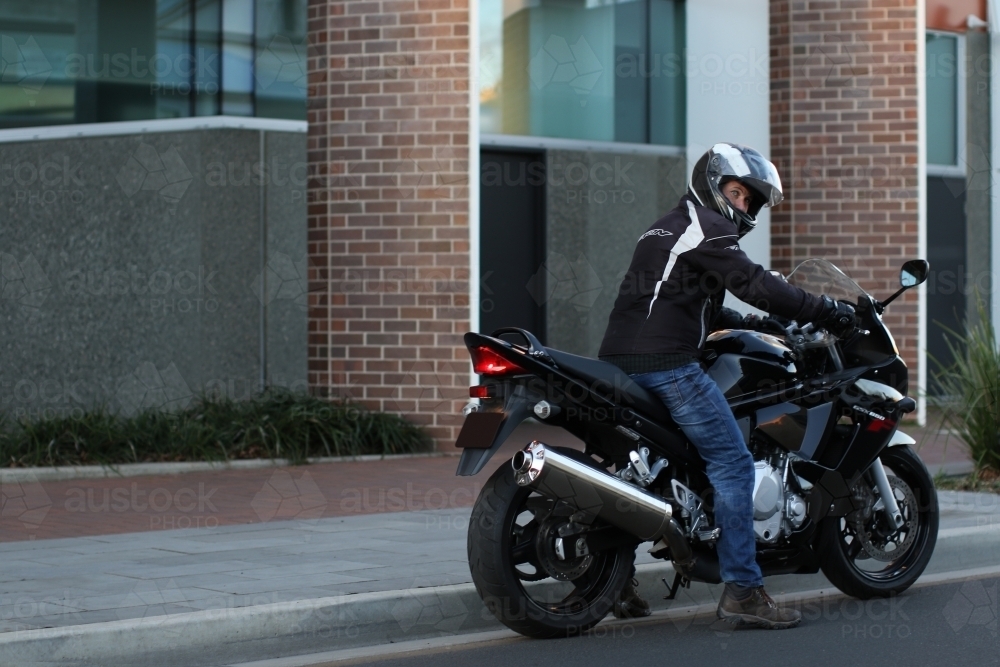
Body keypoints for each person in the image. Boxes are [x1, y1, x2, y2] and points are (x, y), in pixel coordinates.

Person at [601, 142, 854, 629]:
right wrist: (826, 310)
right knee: (733, 464)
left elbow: (694, 305)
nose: (742, 205)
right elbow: (757, 284)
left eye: (749, 200)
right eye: (737, 193)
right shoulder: (706, 225)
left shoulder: (667, 226)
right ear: (711, 185)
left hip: (620, 361)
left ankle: (615, 581)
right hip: (667, 364)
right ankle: (744, 591)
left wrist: (767, 327)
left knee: (640, 471)